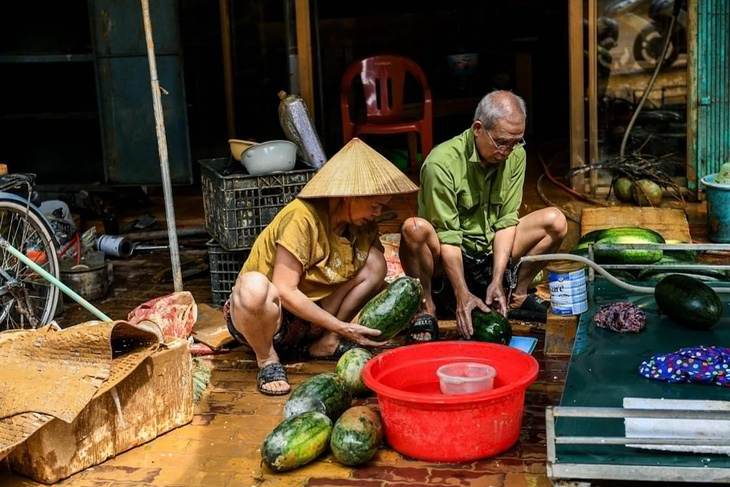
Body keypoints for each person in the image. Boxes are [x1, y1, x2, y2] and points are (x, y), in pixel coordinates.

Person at [225, 138, 419, 396]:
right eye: (374, 205)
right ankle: (267, 359)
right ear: (348, 196)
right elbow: (284, 289)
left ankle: (326, 342)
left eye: (381, 206)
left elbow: (374, 282)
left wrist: (411, 304)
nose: (377, 212)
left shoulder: (363, 225)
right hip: (269, 320)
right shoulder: (302, 217)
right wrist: (343, 327)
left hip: (314, 320)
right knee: (252, 287)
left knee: (375, 262)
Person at [399, 90, 567, 340]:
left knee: (556, 221)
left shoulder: (515, 154)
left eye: (515, 141)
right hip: (449, 255)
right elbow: (448, 237)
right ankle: (427, 307)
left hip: (489, 249)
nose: (507, 150)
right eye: (501, 142)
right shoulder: (441, 164)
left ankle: (516, 294)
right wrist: (461, 292)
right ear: (478, 128)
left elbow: (507, 220)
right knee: (414, 229)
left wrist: (498, 278)